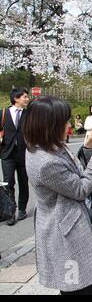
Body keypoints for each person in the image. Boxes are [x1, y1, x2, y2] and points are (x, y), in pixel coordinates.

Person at [23, 96, 92, 295]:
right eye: (65, 121)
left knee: (83, 283)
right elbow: (80, 189)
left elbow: (72, 171)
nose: (69, 125)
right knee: (79, 287)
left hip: (65, 224)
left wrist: (88, 144)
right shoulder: (46, 162)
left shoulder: (44, 145)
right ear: (50, 126)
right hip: (64, 232)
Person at [0, 88, 30, 225]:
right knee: (8, 183)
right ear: (16, 98)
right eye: (24, 96)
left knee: (24, 182)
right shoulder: (3, 114)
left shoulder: (28, 114)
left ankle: (22, 208)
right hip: (7, 154)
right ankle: (11, 211)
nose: (27, 99)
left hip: (24, 154)